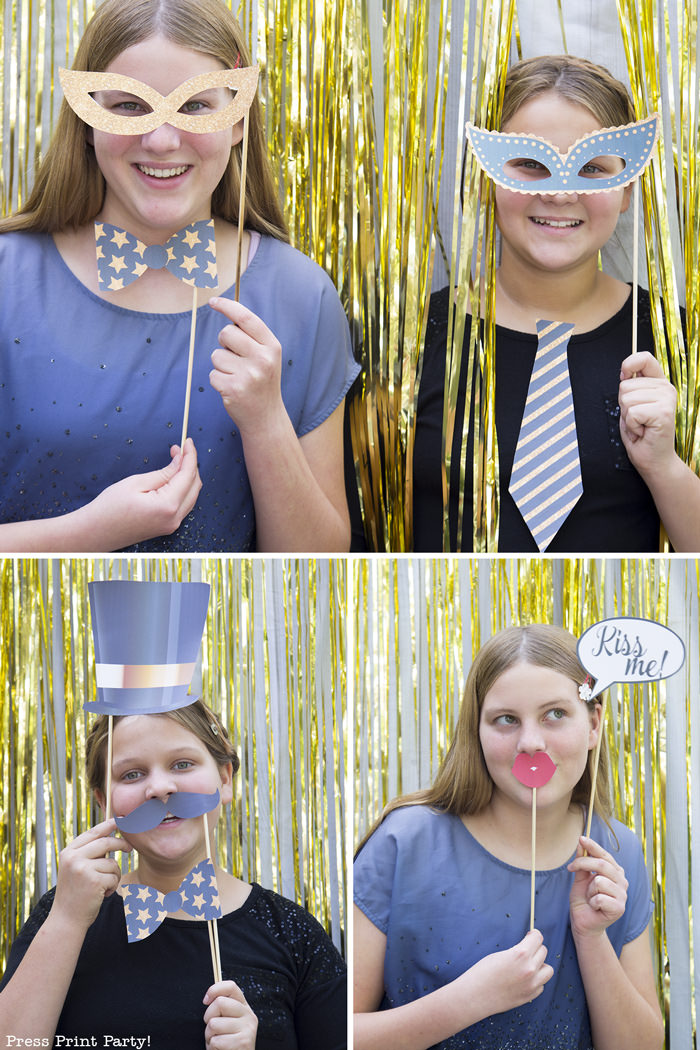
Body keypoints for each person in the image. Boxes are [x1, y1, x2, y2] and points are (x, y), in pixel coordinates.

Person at [0, 0, 360, 553]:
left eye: (194, 106)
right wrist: (90, 533)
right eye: (128, 106)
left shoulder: (300, 294)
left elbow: (323, 561)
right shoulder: (8, 278)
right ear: (88, 120)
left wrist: (265, 422)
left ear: (237, 119)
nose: (163, 141)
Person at [413, 54, 699, 552]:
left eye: (592, 167)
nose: (562, 191)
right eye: (530, 163)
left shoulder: (680, 342)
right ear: (488, 178)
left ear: (627, 188)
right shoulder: (413, 339)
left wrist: (663, 466)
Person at [353, 624, 664, 1050]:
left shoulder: (616, 850)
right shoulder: (404, 843)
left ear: (593, 725)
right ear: (476, 731)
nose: (530, 742)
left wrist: (592, 937)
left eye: (555, 714)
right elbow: (338, 1035)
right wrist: (469, 1000)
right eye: (506, 720)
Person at [0, 699, 346, 1049]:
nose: (160, 788)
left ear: (225, 780)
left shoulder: (292, 934)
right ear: (104, 802)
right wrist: (67, 919)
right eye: (132, 774)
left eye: (182, 764)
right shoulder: (63, 913)